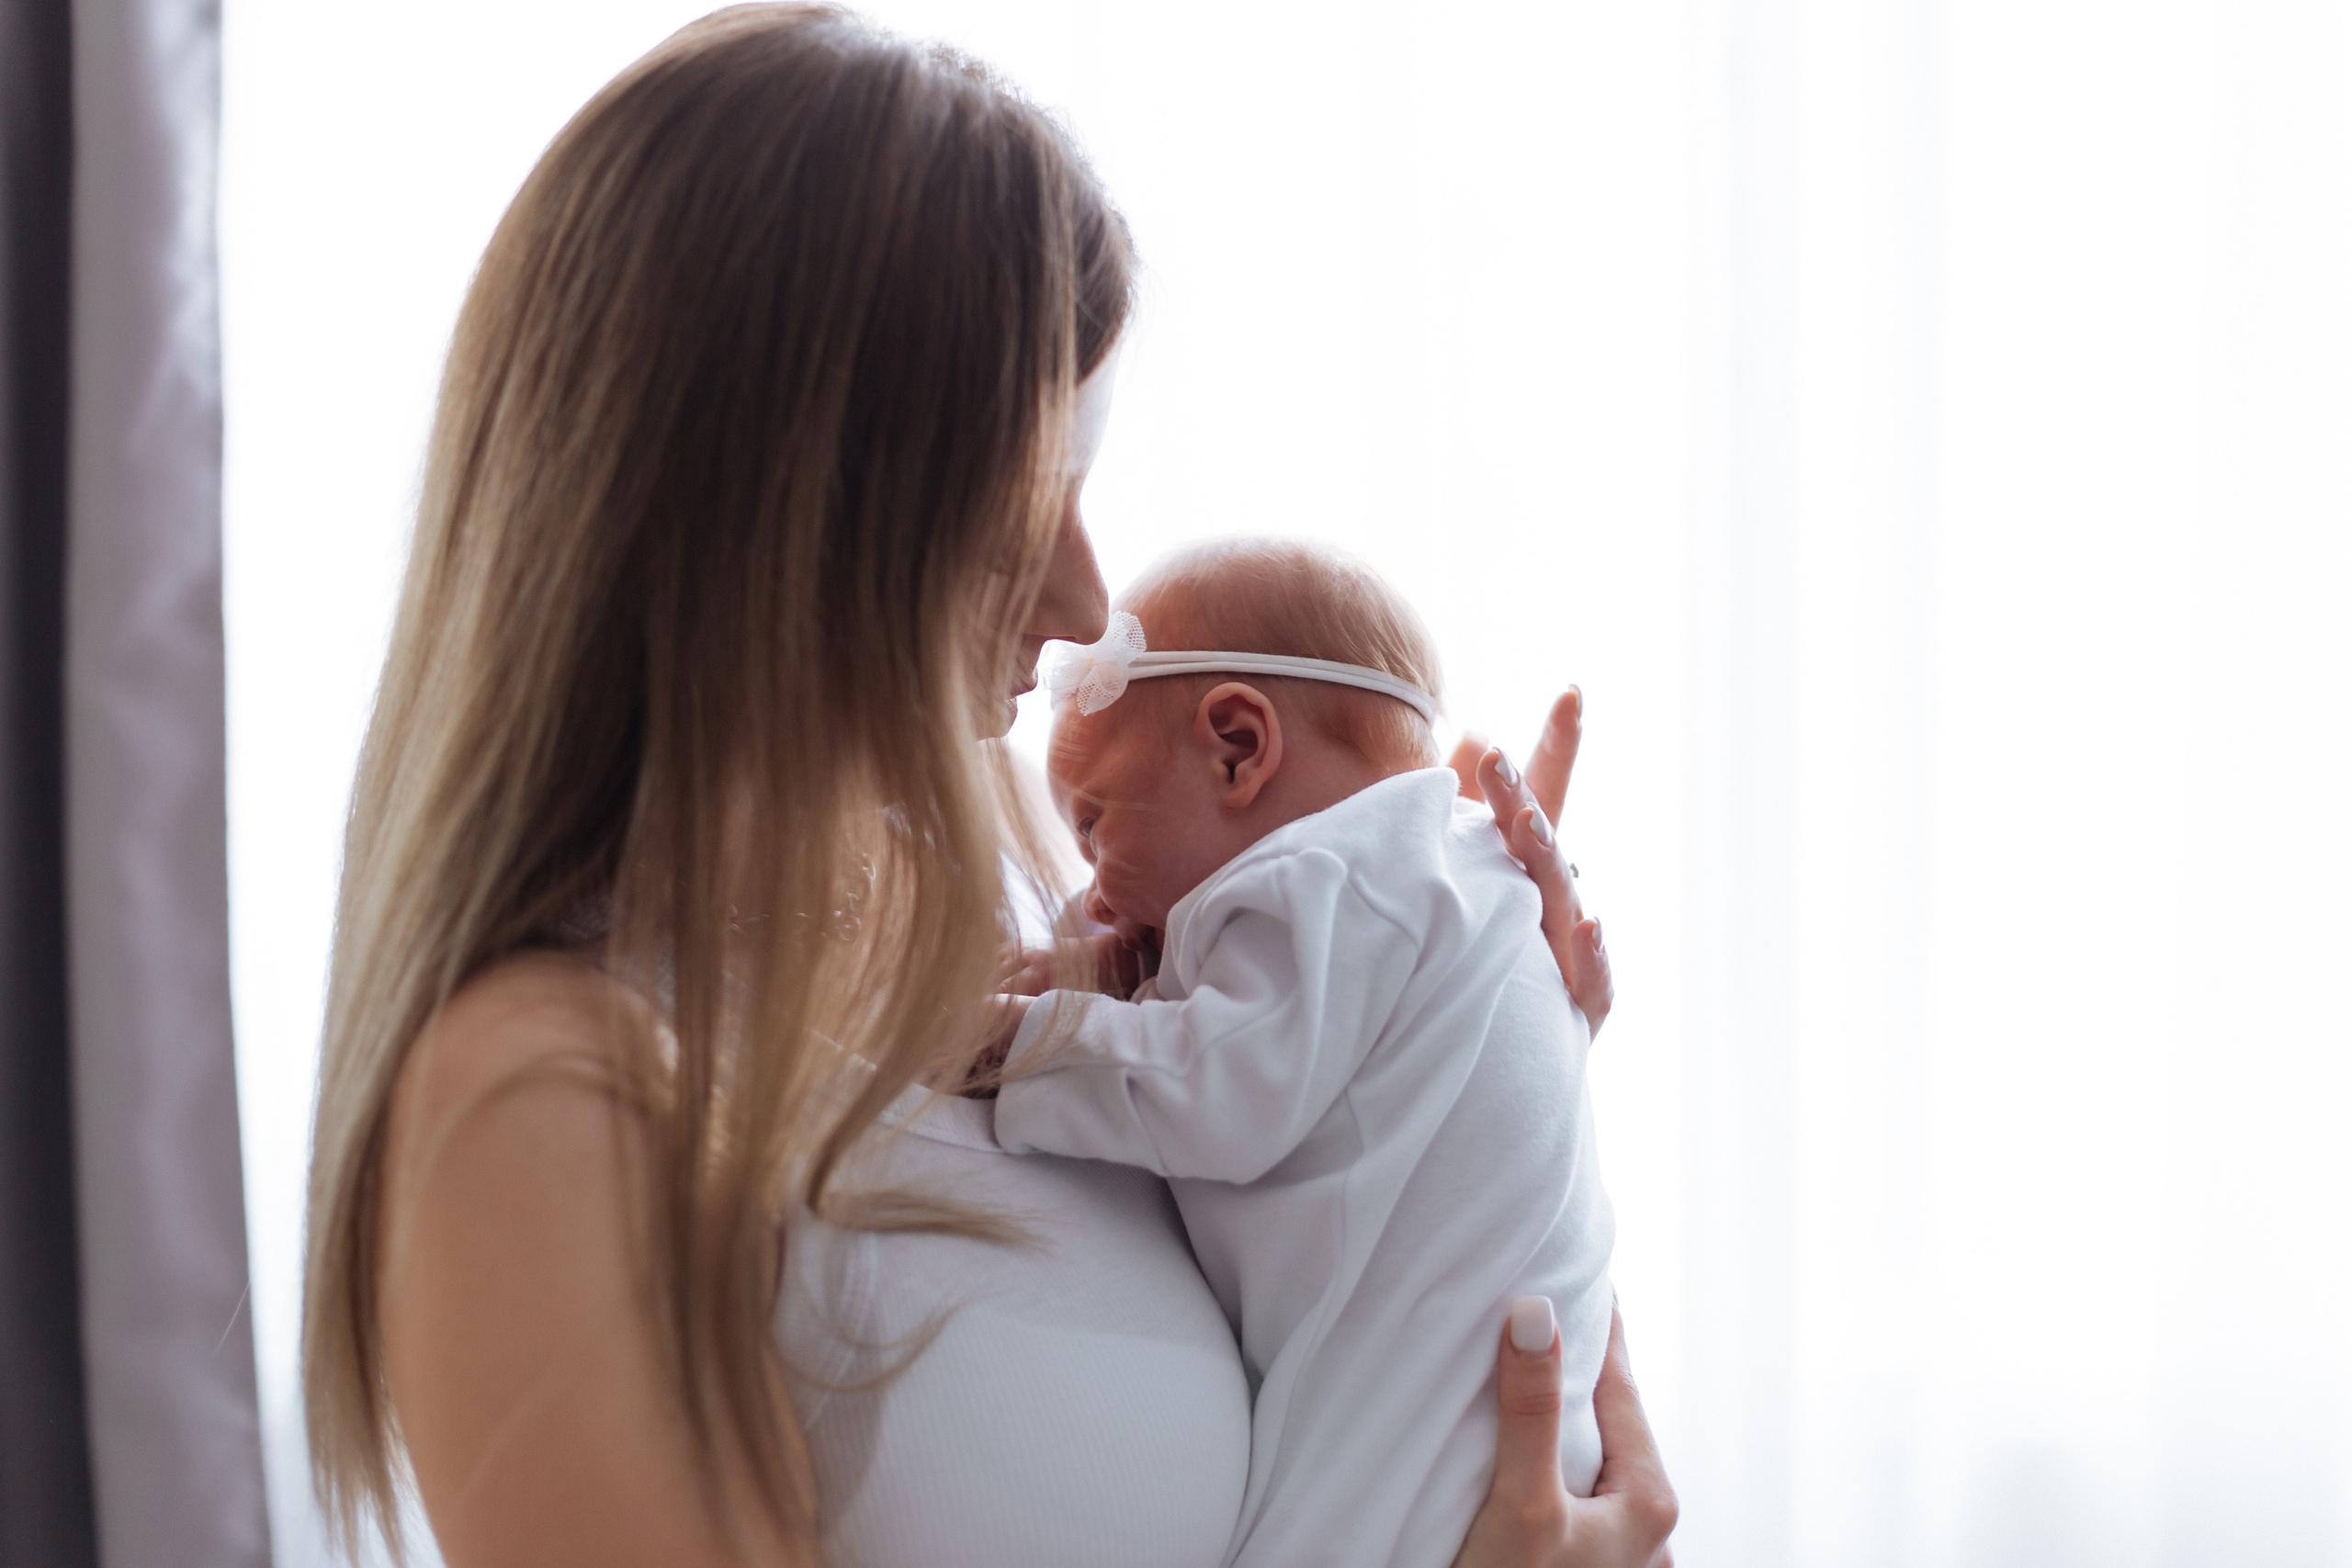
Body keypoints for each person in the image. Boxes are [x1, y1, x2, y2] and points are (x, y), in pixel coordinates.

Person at [298, 6, 1679, 1567]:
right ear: (789, 515)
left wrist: (1461, 995)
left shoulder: (1023, 864)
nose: (1089, 600)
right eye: (1027, 493)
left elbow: (1332, 1243)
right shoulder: (542, 1097)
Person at [978, 537, 1617, 1568]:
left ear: (1237, 746)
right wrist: (1093, 969)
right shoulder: (1428, 871)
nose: (1093, 891)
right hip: (1489, 1435)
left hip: (1436, 1456)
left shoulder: (1331, 877)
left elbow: (1214, 1086)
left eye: (1092, 827)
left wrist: (1009, 1036)